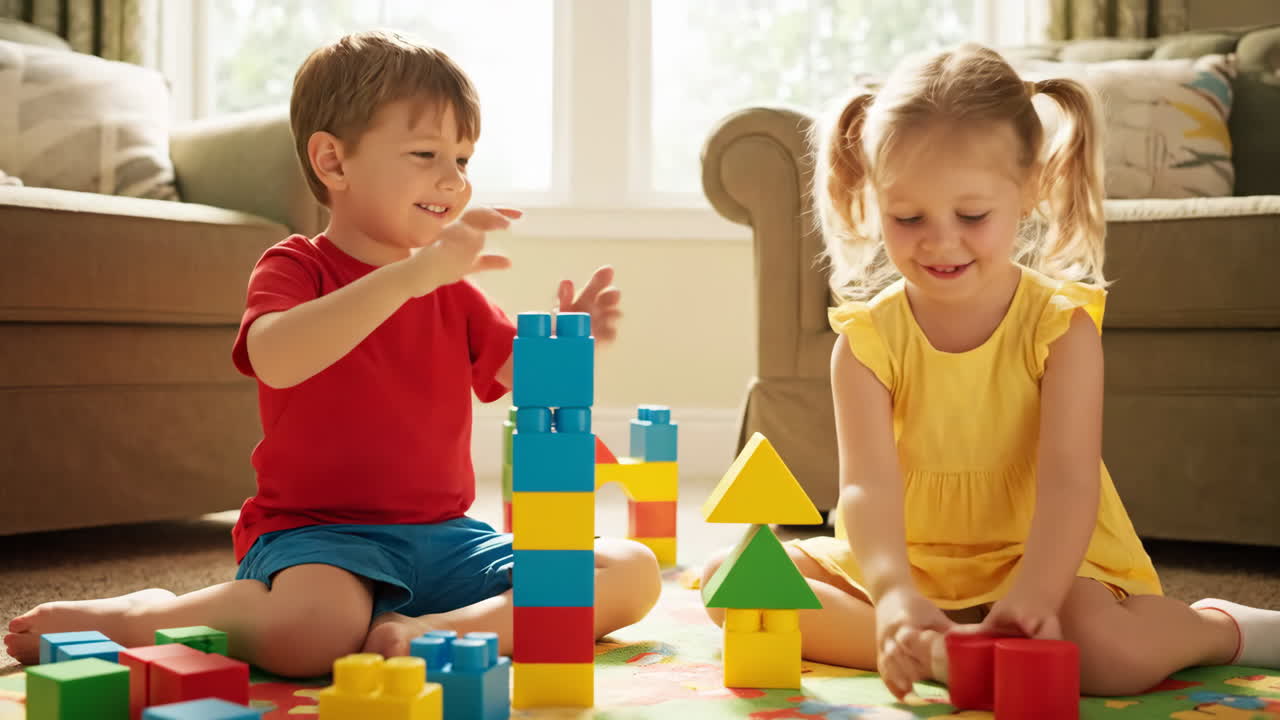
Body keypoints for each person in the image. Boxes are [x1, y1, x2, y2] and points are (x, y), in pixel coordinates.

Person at [7, 30, 661, 677]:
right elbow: (277, 357)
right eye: (427, 153)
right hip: (318, 538)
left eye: (462, 159)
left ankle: (436, 631)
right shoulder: (297, 267)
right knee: (311, 633)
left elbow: (529, 380)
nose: (453, 180)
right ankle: (141, 617)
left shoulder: (451, 290)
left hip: (446, 536)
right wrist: (411, 277)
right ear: (334, 163)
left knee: (631, 571)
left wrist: (569, 341)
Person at [701, 43, 1279, 699]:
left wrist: (1035, 595)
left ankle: (1217, 627)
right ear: (874, 200)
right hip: (915, 557)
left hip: (1038, 555)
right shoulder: (865, 340)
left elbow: (1068, 482)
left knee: (1103, 654)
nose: (940, 241)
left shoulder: (1060, 327)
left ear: (1030, 187)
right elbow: (864, 490)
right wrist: (891, 597)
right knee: (735, 583)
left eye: (971, 216)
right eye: (907, 217)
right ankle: (942, 651)